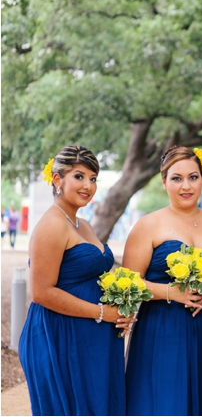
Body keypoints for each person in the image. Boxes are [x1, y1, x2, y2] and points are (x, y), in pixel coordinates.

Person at [18, 145, 132, 415]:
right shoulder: (51, 225)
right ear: (58, 180)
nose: (88, 186)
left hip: (91, 337)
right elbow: (41, 292)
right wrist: (104, 313)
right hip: (58, 336)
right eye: (79, 176)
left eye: (93, 179)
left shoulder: (83, 225)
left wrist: (121, 303)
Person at [123, 146, 202, 416]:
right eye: (177, 178)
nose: (186, 186)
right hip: (162, 329)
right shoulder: (148, 225)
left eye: (193, 177)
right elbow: (128, 283)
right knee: (164, 401)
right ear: (163, 181)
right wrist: (171, 291)